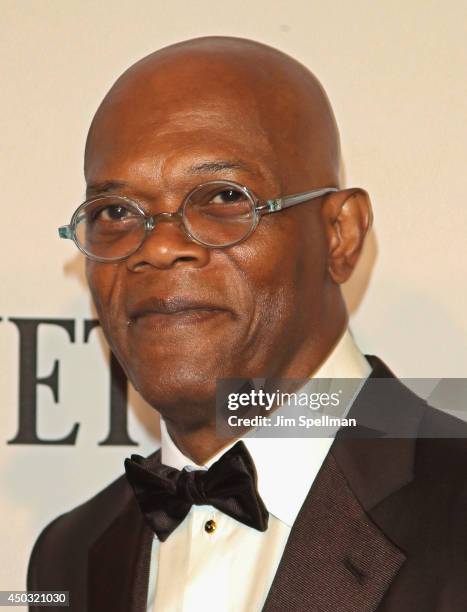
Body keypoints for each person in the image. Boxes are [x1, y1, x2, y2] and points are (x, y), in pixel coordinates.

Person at [28, 36, 467, 612]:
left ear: (341, 234)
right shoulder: (69, 554)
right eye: (115, 212)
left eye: (223, 197)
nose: (157, 249)